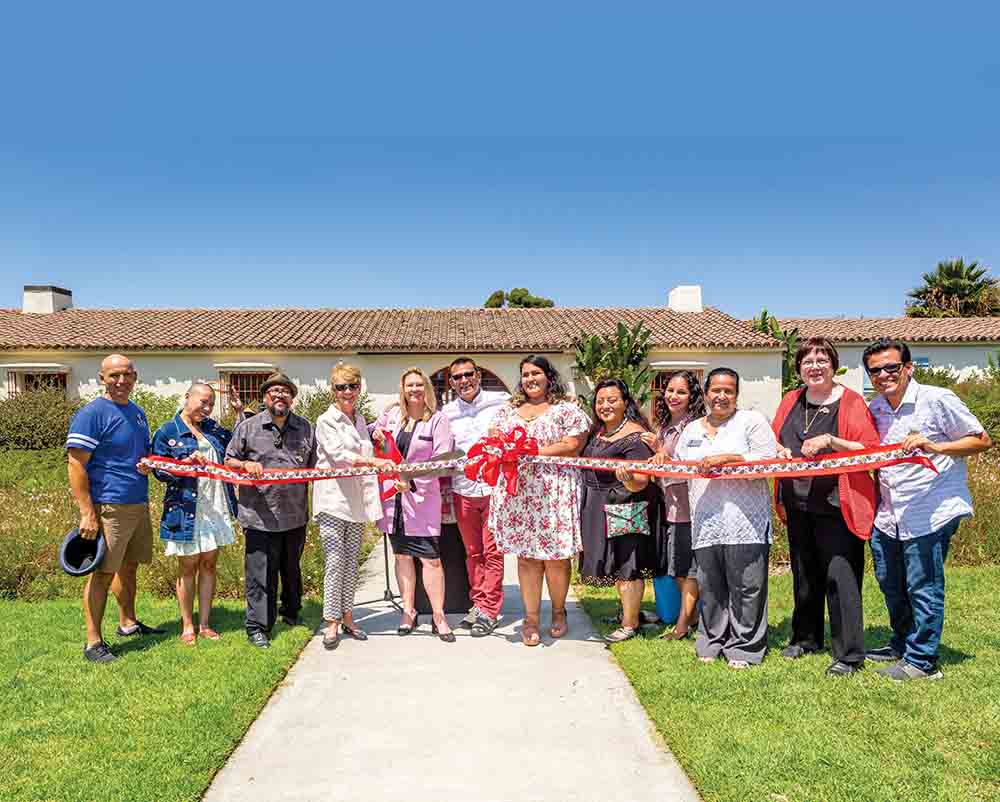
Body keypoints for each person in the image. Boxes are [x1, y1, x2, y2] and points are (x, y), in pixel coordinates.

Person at [863, 338, 992, 681]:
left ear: (908, 367)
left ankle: (922, 661)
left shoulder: (937, 399)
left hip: (931, 510)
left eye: (891, 367)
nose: (883, 375)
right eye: (875, 370)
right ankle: (902, 642)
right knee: (890, 582)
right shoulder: (875, 408)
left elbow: (981, 440)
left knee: (923, 585)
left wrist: (935, 446)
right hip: (890, 514)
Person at [772, 337, 879, 676]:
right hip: (797, 501)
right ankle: (805, 638)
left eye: (822, 360)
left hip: (837, 504)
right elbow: (774, 439)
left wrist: (832, 442)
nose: (814, 366)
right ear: (799, 368)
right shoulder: (791, 399)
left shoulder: (850, 401)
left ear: (834, 366)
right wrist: (776, 451)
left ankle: (848, 654)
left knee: (840, 575)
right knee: (804, 574)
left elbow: (869, 449)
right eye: (807, 361)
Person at [675, 368, 778, 669]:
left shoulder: (751, 422)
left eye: (728, 391)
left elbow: (768, 462)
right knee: (711, 587)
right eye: (715, 390)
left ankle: (745, 647)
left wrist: (729, 458)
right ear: (705, 394)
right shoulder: (692, 429)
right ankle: (712, 640)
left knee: (748, 587)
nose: (721, 396)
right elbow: (679, 467)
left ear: (736, 395)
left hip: (746, 520)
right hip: (706, 521)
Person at [66, 354, 163, 663]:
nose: (121, 381)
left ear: (135, 377)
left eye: (127, 375)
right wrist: (87, 512)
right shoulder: (92, 413)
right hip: (108, 505)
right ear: (102, 378)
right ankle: (93, 642)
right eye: (114, 376)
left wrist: (148, 464)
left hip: (136, 501)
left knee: (129, 566)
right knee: (103, 574)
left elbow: (137, 454)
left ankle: (128, 623)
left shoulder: (136, 412)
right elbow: (76, 464)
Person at [489, 355, 590, 646]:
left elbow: (573, 445)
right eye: (525, 374)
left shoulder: (565, 409)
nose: (530, 378)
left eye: (536, 373)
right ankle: (531, 618)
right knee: (527, 558)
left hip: (554, 490)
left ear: (548, 376)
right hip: (519, 493)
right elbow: (494, 439)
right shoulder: (508, 410)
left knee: (556, 558)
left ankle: (558, 612)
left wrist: (532, 451)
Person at [224, 372, 318, 649]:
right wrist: (245, 466)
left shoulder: (305, 428)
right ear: (265, 398)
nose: (280, 396)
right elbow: (229, 459)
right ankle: (258, 626)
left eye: (285, 392)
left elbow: (315, 467)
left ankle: (291, 612)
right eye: (274, 391)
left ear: (292, 398)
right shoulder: (248, 427)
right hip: (258, 515)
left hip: (295, 513)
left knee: (291, 568)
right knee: (260, 573)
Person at [313, 363, 394, 651]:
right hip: (333, 501)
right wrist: (373, 461)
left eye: (352, 386)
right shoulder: (326, 420)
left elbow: (369, 450)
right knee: (335, 562)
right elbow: (338, 456)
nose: (347, 392)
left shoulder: (361, 421)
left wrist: (379, 448)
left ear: (359, 389)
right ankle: (331, 621)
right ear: (333, 390)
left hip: (357, 503)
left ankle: (348, 615)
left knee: (350, 563)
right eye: (341, 387)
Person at [579, 379, 666, 642]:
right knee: (616, 564)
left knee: (629, 565)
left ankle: (630, 624)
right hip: (598, 505)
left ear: (625, 403)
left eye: (612, 400)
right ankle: (627, 613)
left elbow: (640, 481)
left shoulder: (635, 436)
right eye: (600, 400)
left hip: (626, 507)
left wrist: (626, 477)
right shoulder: (599, 431)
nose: (605, 405)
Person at [151, 382, 238, 645]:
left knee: (209, 565)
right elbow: (158, 469)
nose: (207, 408)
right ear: (187, 397)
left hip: (215, 505)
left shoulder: (212, 429)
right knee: (187, 567)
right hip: (185, 508)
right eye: (203, 402)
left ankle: (205, 624)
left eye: (211, 403)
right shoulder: (167, 431)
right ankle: (187, 625)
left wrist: (238, 412)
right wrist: (183, 466)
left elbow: (239, 442)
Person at [373, 368, 456, 643]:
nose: (414, 389)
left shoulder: (437, 420)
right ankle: (408, 611)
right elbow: (375, 436)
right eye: (409, 385)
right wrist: (377, 435)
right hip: (393, 500)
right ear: (402, 388)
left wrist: (412, 477)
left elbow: (443, 460)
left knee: (431, 559)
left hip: (421, 500)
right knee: (401, 557)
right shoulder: (393, 417)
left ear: (427, 388)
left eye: (419, 384)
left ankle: (438, 616)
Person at [441, 357, 510, 636]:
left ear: (478, 375)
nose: (464, 381)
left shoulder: (501, 402)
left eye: (468, 374)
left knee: (493, 550)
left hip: (494, 489)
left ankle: (490, 610)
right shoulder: (446, 412)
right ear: (452, 382)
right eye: (457, 377)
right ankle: (479, 604)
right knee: (473, 552)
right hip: (463, 489)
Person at [643, 370, 706, 640]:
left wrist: (660, 450)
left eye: (681, 392)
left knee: (685, 569)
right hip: (670, 506)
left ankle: (685, 623)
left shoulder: (697, 426)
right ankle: (692, 618)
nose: (673, 396)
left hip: (691, 506)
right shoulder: (664, 426)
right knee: (678, 567)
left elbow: (688, 463)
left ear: (692, 396)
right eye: (669, 390)